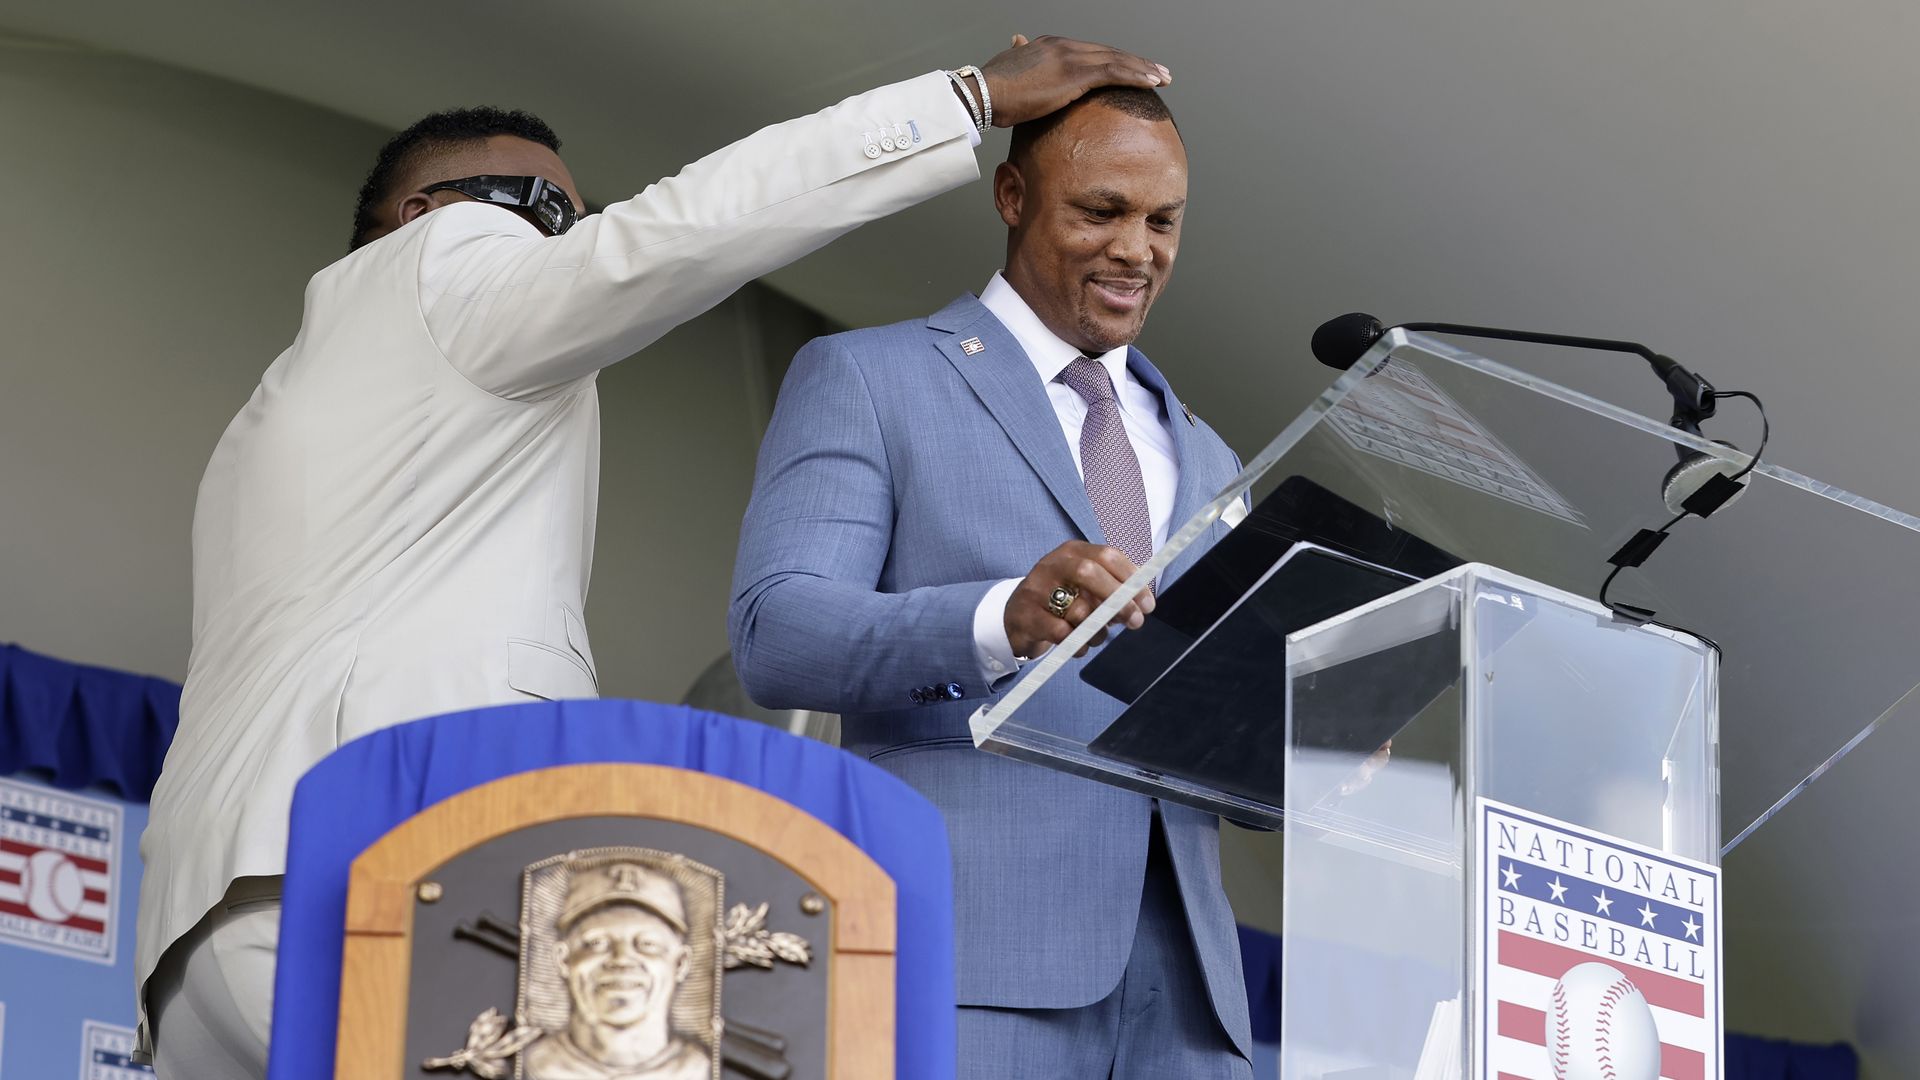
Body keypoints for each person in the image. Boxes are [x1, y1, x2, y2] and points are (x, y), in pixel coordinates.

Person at [134, 34, 1175, 1078]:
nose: (567, 237)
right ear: (421, 218)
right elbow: (676, 231)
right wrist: (967, 97)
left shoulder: (291, 411)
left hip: (214, 922)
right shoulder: (436, 268)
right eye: (538, 211)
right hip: (384, 869)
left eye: (575, 219)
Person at [730, 86, 1252, 1077]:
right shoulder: (871, 377)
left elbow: (1215, 733)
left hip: (1190, 1003)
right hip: (966, 954)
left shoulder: (1213, 457)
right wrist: (1003, 616)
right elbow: (778, 630)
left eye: (1162, 221)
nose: (1136, 249)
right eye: (1100, 211)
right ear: (1011, 194)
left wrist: (1312, 731)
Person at [524, 860, 705, 1080]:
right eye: (597, 943)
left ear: (680, 963)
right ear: (563, 959)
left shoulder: (699, 1069)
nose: (622, 959)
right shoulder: (532, 1066)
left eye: (648, 944)